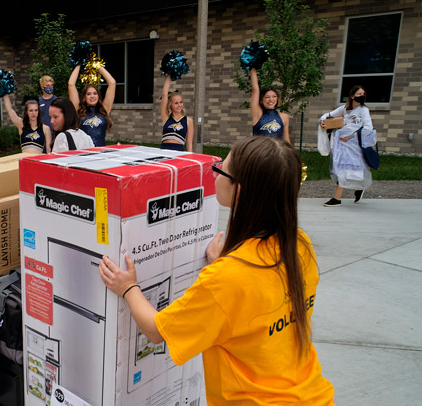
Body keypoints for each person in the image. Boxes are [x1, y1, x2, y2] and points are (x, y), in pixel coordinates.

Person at [98, 136, 335, 405]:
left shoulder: (227, 278)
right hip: (313, 395)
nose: (216, 172)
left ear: (240, 191)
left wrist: (128, 287)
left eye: (222, 168)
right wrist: (225, 263)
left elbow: (157, 331)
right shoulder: (300, 245)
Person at [320, 85, 373, 207]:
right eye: (359, 94)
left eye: (363, 94)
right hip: (341, 145)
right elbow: (328, 114)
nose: (362, 96)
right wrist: (323, 121)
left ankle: (337, 198)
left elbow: (368, 128)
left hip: (354, 146)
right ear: (352, 96)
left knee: (346, 169)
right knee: (344, 169)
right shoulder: (345, 109)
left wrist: (351, 136)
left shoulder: (364, 110)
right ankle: (358, 188)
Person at [68, 64, 116, 147]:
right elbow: (71, 84)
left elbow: (112, 83)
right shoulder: (78, 110)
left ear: (98, 96)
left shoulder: (104, 110)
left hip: (101, 153)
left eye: (95, 93)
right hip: (83, 153)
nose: (92, 96)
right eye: (89, 94)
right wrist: (79, 65)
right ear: (84, 97)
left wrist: (97, 65)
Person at [250, 68, 290, 142]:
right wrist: (253, 68)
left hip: (276, 152)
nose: (271, 99)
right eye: (267, 97)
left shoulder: (284, 117)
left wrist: (291, 153)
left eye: (274, 96)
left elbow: (286, 141)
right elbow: (255, 89)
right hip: (258, 151)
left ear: (277, 99)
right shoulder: (258, 114)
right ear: (261, 100)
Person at [159, 74, 194, 151]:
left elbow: (189, 144)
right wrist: (169, 74)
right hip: (164, 151)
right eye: (176, 103)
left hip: (179, 152)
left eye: (181, 102)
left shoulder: (188, 121)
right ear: (170, 105)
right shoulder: (166, 117)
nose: (179, 105)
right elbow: (164, 94)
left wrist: (190, 160)